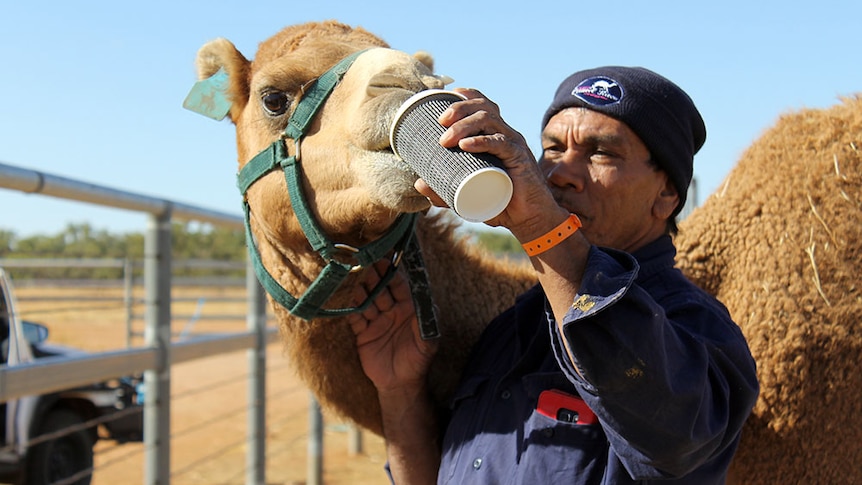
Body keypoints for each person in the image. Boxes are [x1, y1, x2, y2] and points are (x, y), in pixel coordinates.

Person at [348, 66, 759, 484]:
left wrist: (540, 227)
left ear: (668, 194)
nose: (561, 173)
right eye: (553, 148)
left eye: (601, 152)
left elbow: (674, 439)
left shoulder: (696, 328)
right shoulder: (511, 330)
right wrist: (399, 391)